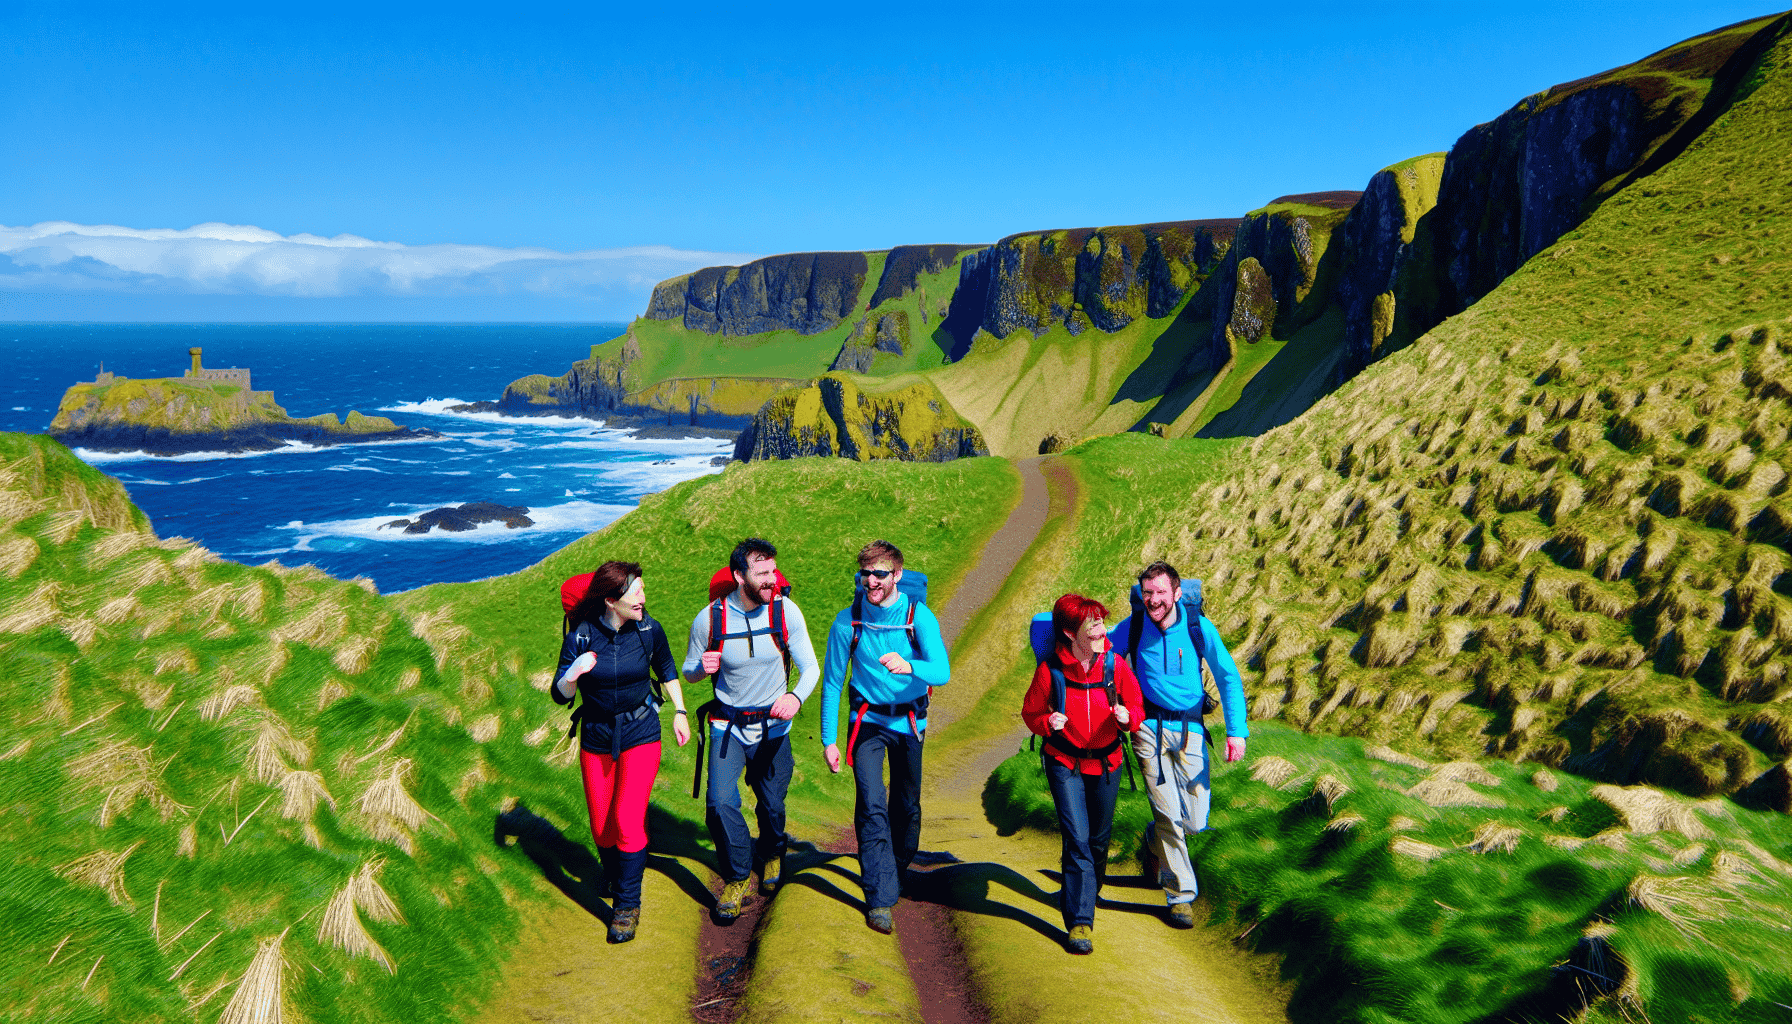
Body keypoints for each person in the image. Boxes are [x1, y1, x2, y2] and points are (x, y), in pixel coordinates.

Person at [683, 538, 820, 920]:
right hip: (727, 728)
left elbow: (811, 668)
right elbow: (689, 670)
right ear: (738, 575)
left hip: (775, 729)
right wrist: (701, 669)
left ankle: (773, 853)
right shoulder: (709, 619)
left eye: (773, 571)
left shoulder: (785, 612)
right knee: (719, 804)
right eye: (762, 573)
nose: (771, 580)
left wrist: (795, 698)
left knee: (772, 806)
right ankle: (738, 877)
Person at [553, 560, 688, 944]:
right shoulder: (579, 636)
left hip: (641, 731)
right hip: (596, 736)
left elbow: (666, 669)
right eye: (637, 592)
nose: (644, 598)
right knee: (601, 827)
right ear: (612, 600)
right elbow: (559, 694)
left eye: (643, 589)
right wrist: (571, 675)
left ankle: (627, 906)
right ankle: (617, 876)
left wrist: (679, 711)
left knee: (628, 819)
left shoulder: (649, 629)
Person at [819, 540, 950, 934]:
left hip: (910, 724)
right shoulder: (847, 621)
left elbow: (941, 671)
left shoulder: (918, 617)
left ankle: (893, 870)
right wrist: (829, 739)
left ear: (897, 576)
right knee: (872, 805)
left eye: (879, 573)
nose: (871, 581)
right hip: (868, 725)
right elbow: (832, 683)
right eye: (866, 574)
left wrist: (909, 665)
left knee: (907, 807)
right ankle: (878, 896)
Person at [1108, 560, 1248, 929]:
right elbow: (1102, 655)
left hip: (1191, 730)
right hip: (1147, 729)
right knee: (1168, 812)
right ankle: (1181, 896)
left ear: (1176, 593)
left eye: (1160, 593)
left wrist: (1237, 732)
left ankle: (1153, 841)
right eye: (1147, 593)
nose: (1153, 601)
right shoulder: (1134, 626)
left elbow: (1228, 677)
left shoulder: (1200, 628)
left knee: (1196, 819)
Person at [1022, 593, 1144, 954]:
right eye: (1090, 625)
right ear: (1069, 632)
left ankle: (1087, 891)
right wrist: (1047, 722)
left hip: (1107, 763)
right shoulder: (1050, 672)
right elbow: (1030, 713)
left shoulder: (1115, 666)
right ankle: (1079, 922)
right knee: (1077, 839)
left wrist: (1129, 718)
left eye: (1101, 623)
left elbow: (1136, 705)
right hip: (1065, 763)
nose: (1099, 630)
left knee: (1098, 840)